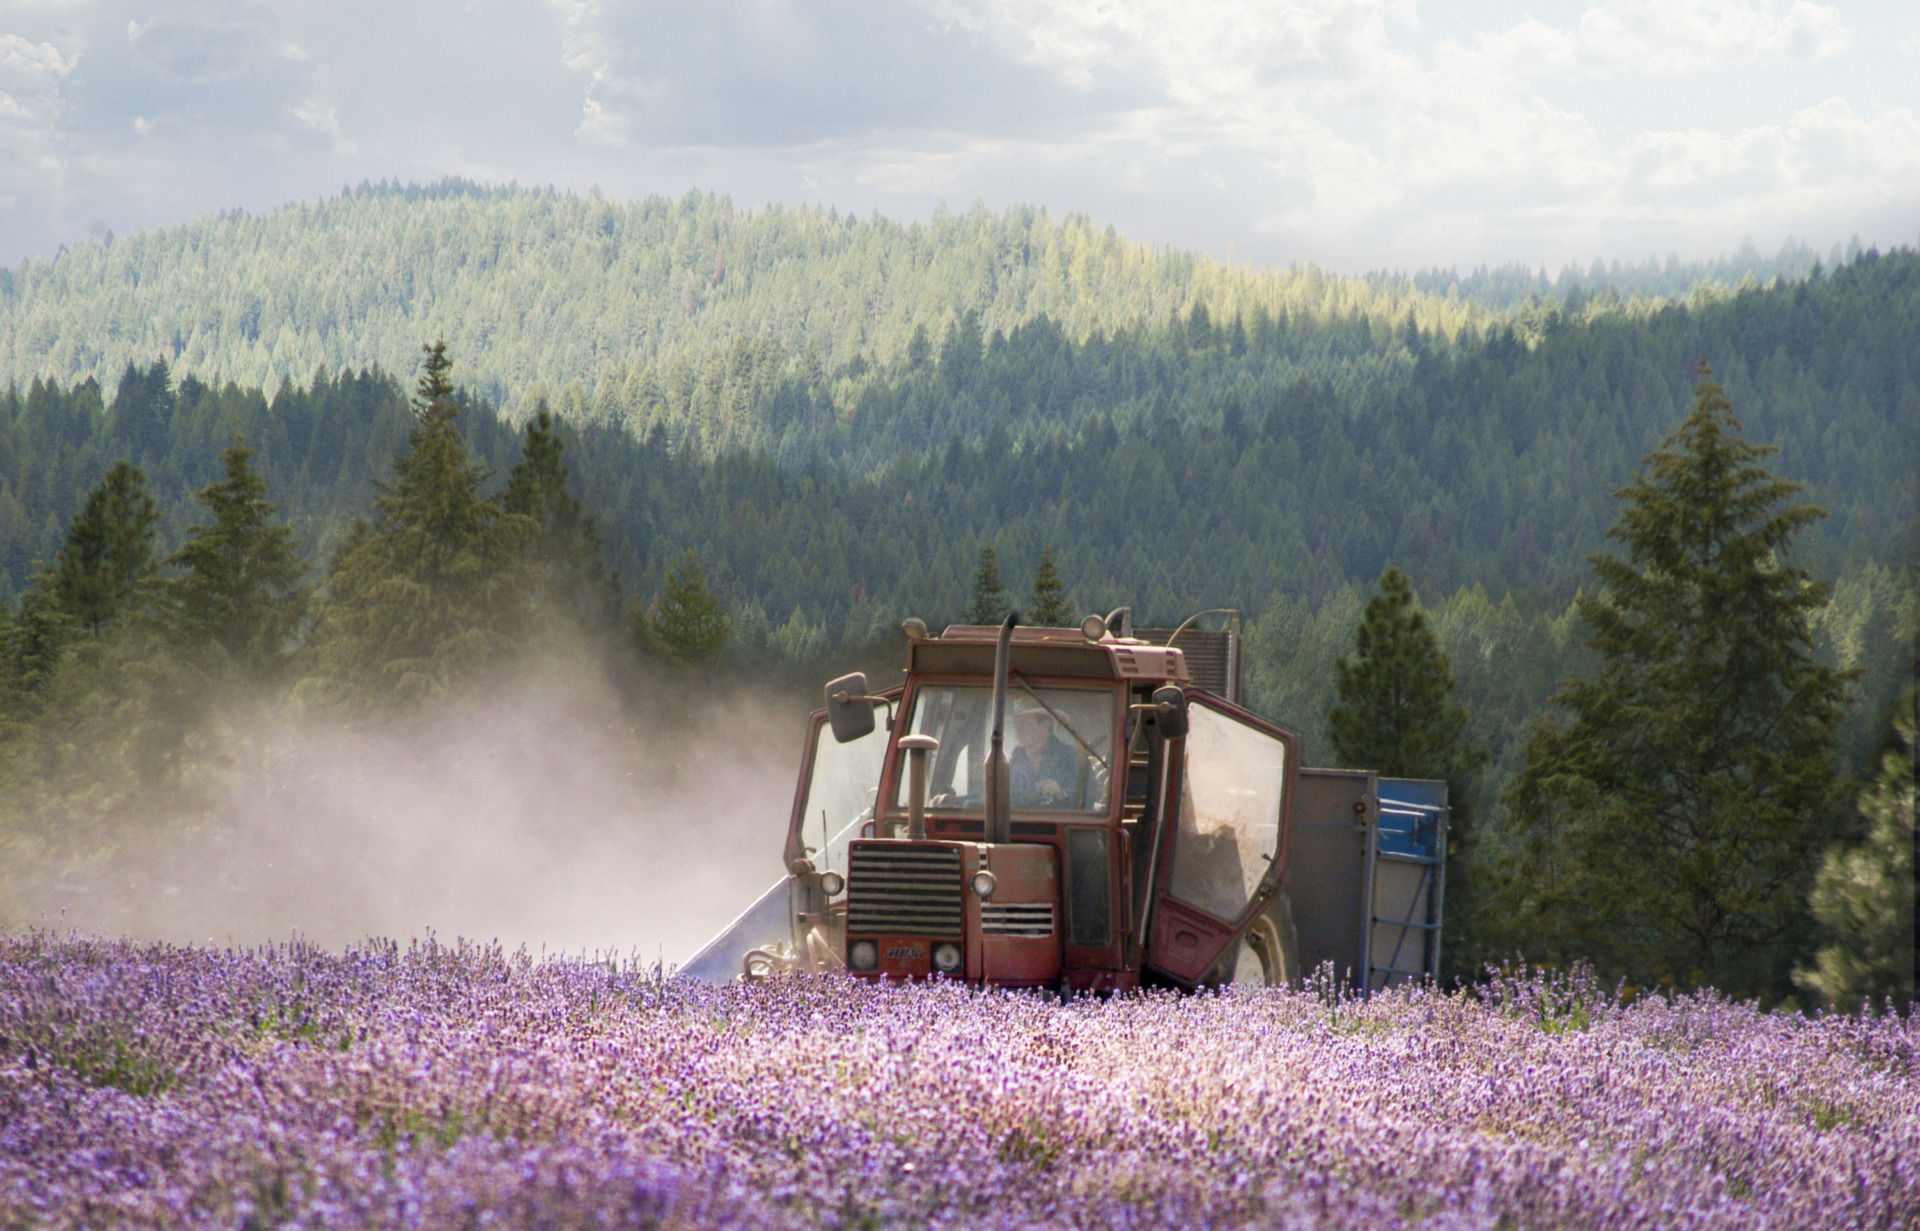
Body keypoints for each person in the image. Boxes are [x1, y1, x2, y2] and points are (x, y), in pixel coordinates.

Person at [1008, 697, 1081, 808]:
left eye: (1025, 723)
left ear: (1045, 726)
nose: (1018, 729)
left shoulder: (1072, 757)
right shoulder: (1013, 761)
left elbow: (1089, 796)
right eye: (1016, 724)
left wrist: (1062, 794)